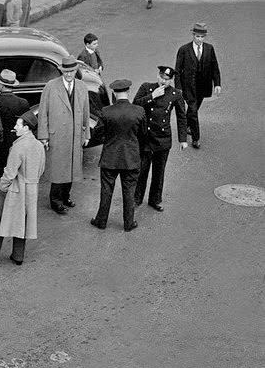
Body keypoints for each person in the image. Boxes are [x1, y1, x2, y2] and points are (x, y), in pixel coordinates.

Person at [0, 110, 46, 266]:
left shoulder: (18, 147)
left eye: (18, 125)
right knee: (23, 222)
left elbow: (10, 172)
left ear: (27, 128)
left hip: (15, 188)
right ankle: (18, 256)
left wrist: (2, 186)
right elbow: (41, 169)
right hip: (31, 189)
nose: (15, 127)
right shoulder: (39, 145)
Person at [90, 79, 146, 233]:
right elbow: (143, 135)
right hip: (131, 158)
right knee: (129, 191)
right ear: (128, 92)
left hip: (110, 157)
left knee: (106, 190)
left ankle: (101, 220)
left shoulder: (106, 111)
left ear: (114, 93)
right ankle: (129, 222)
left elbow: (98, 133)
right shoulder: (139, 111)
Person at [37, 56, 90, 214]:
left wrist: (86, 134)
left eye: (72, 71)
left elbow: (86, 113)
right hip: (57, 135)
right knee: (58, 169)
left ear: (76, 71)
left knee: (72, 168)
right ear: (62, 71)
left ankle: (66, 196)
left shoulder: (81, 87)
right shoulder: (51, 86)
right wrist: (43, 136)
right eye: (66, 71)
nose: (69, 74)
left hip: (74, 135)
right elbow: (43, 113)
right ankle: (56, 200)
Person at [132, 66, 188, 211]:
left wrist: (183, 139)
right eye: (162, 78)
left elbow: (182, 116)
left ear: (171, 80)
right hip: (145, 137)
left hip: (162, 139)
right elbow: (135, 105)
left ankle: (155, 200)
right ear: (158, 76)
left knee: (159, 171)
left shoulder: (176, 94)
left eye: (167, 80)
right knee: (142, 170)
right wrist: (152, 96)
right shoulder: (146, 87)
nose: (163, 81)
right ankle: (137, 198)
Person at [174, 22, 222, 149]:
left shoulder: (209, 48)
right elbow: (177, 70)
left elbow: (214, 67)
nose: (200, 39)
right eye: (197, 37)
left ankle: (187, 125)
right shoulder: (183, 50)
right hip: (188, 87)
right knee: (194, 111)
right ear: (193, 35)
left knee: (192, 110)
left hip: (203, 87)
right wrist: (178, 88)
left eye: (202, 37)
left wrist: (217, 84)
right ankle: (196, 139)